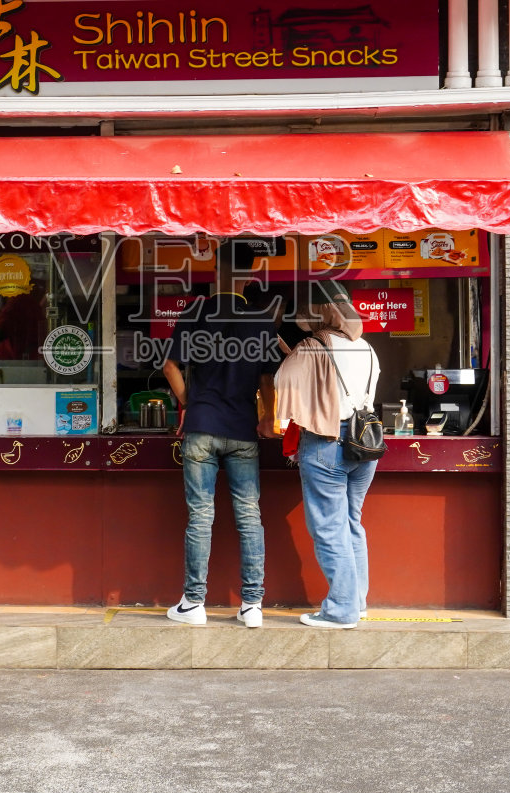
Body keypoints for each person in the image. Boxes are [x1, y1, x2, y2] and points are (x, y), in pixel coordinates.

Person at [160, 246, 280, 629]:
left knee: (200, 517)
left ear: (215, 273)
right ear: (249, 277)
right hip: (243, 429)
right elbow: (266, 379)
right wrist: (269, 421)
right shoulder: (261, 320)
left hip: (201, 428)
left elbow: (169, 364)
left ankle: (193, 603)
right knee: (250, 516)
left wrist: (188, 401)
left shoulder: (195, 312)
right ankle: (252, 605)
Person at [274, 282, 381, 630]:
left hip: (325, 443)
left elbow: (282, 383)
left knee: (329, 528)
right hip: (364, 444)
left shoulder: (312, 345)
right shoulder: (367, 348)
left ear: (321, 314)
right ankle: (357, 601)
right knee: (351, 521)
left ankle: (341, 610)